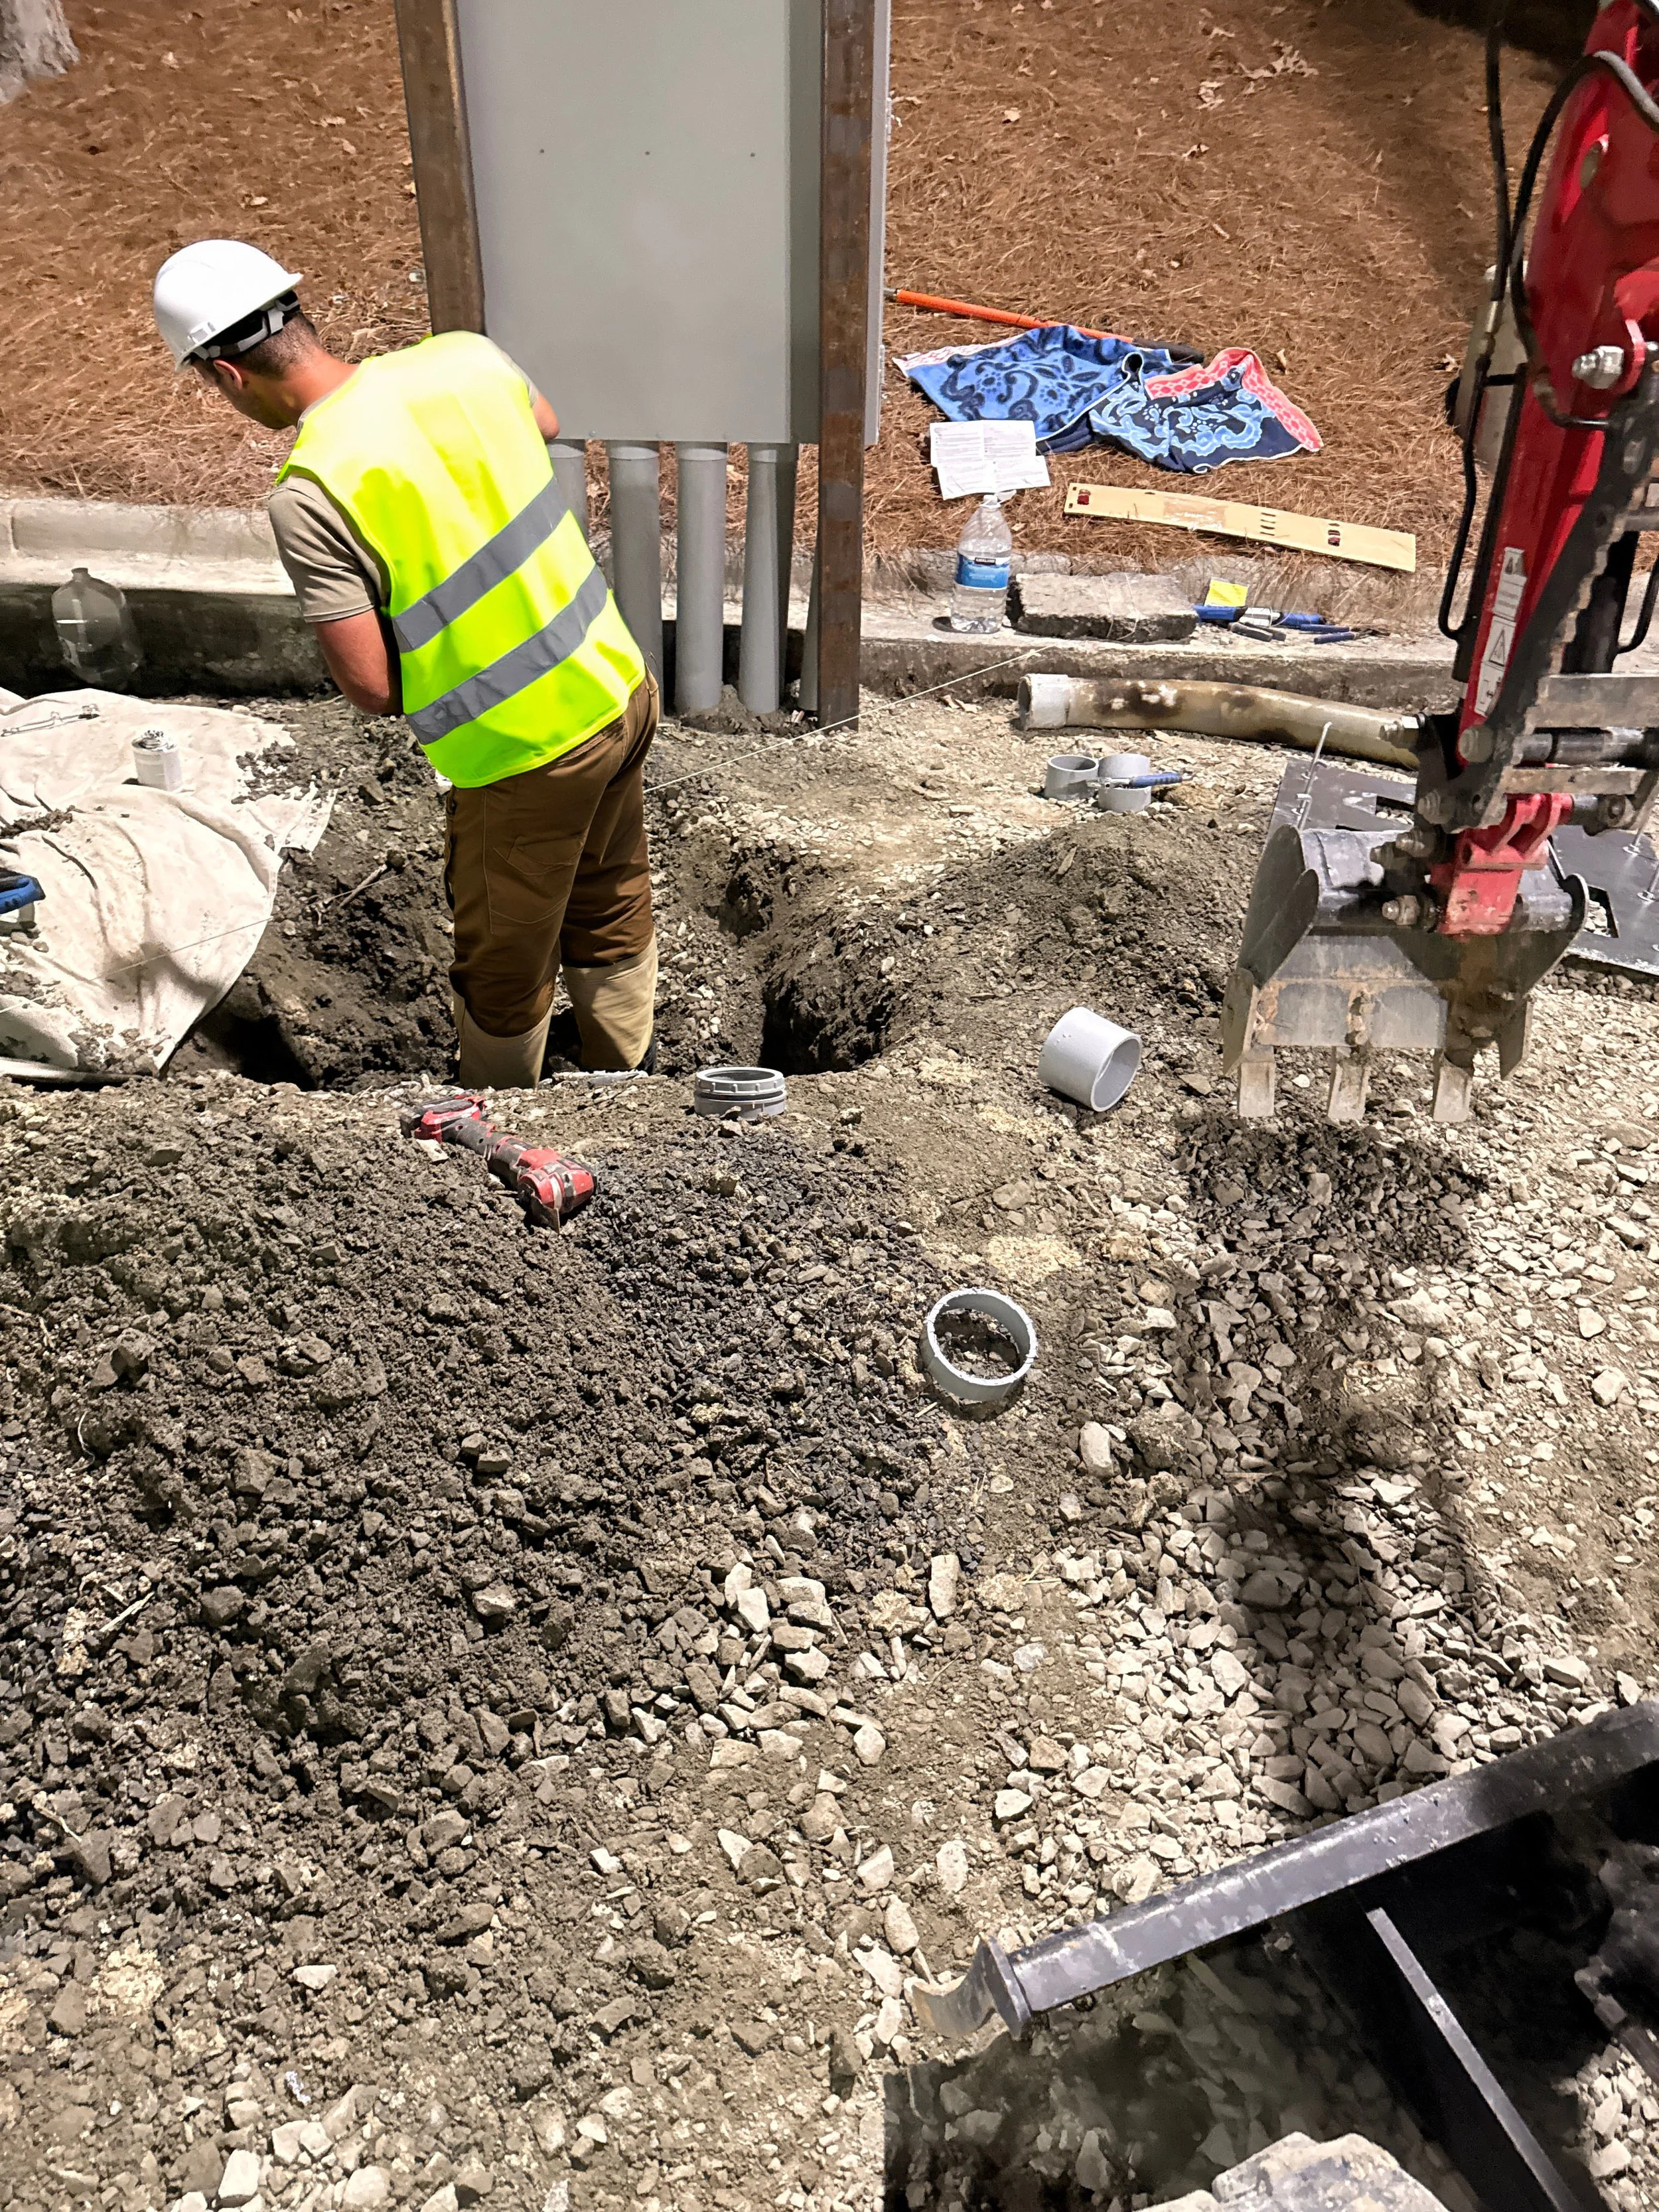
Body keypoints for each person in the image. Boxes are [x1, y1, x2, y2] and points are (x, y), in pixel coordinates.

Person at [151, 238, 659, 1086]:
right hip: (617, 684)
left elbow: (374, 688)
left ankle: (505, 1112)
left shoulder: (311, 494)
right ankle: (628, 1081)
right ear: (298, 315)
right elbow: (543, 423)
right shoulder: (464, 359)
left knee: (505, 959)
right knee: (609, 894)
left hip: (521, 749)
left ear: (228, 376)